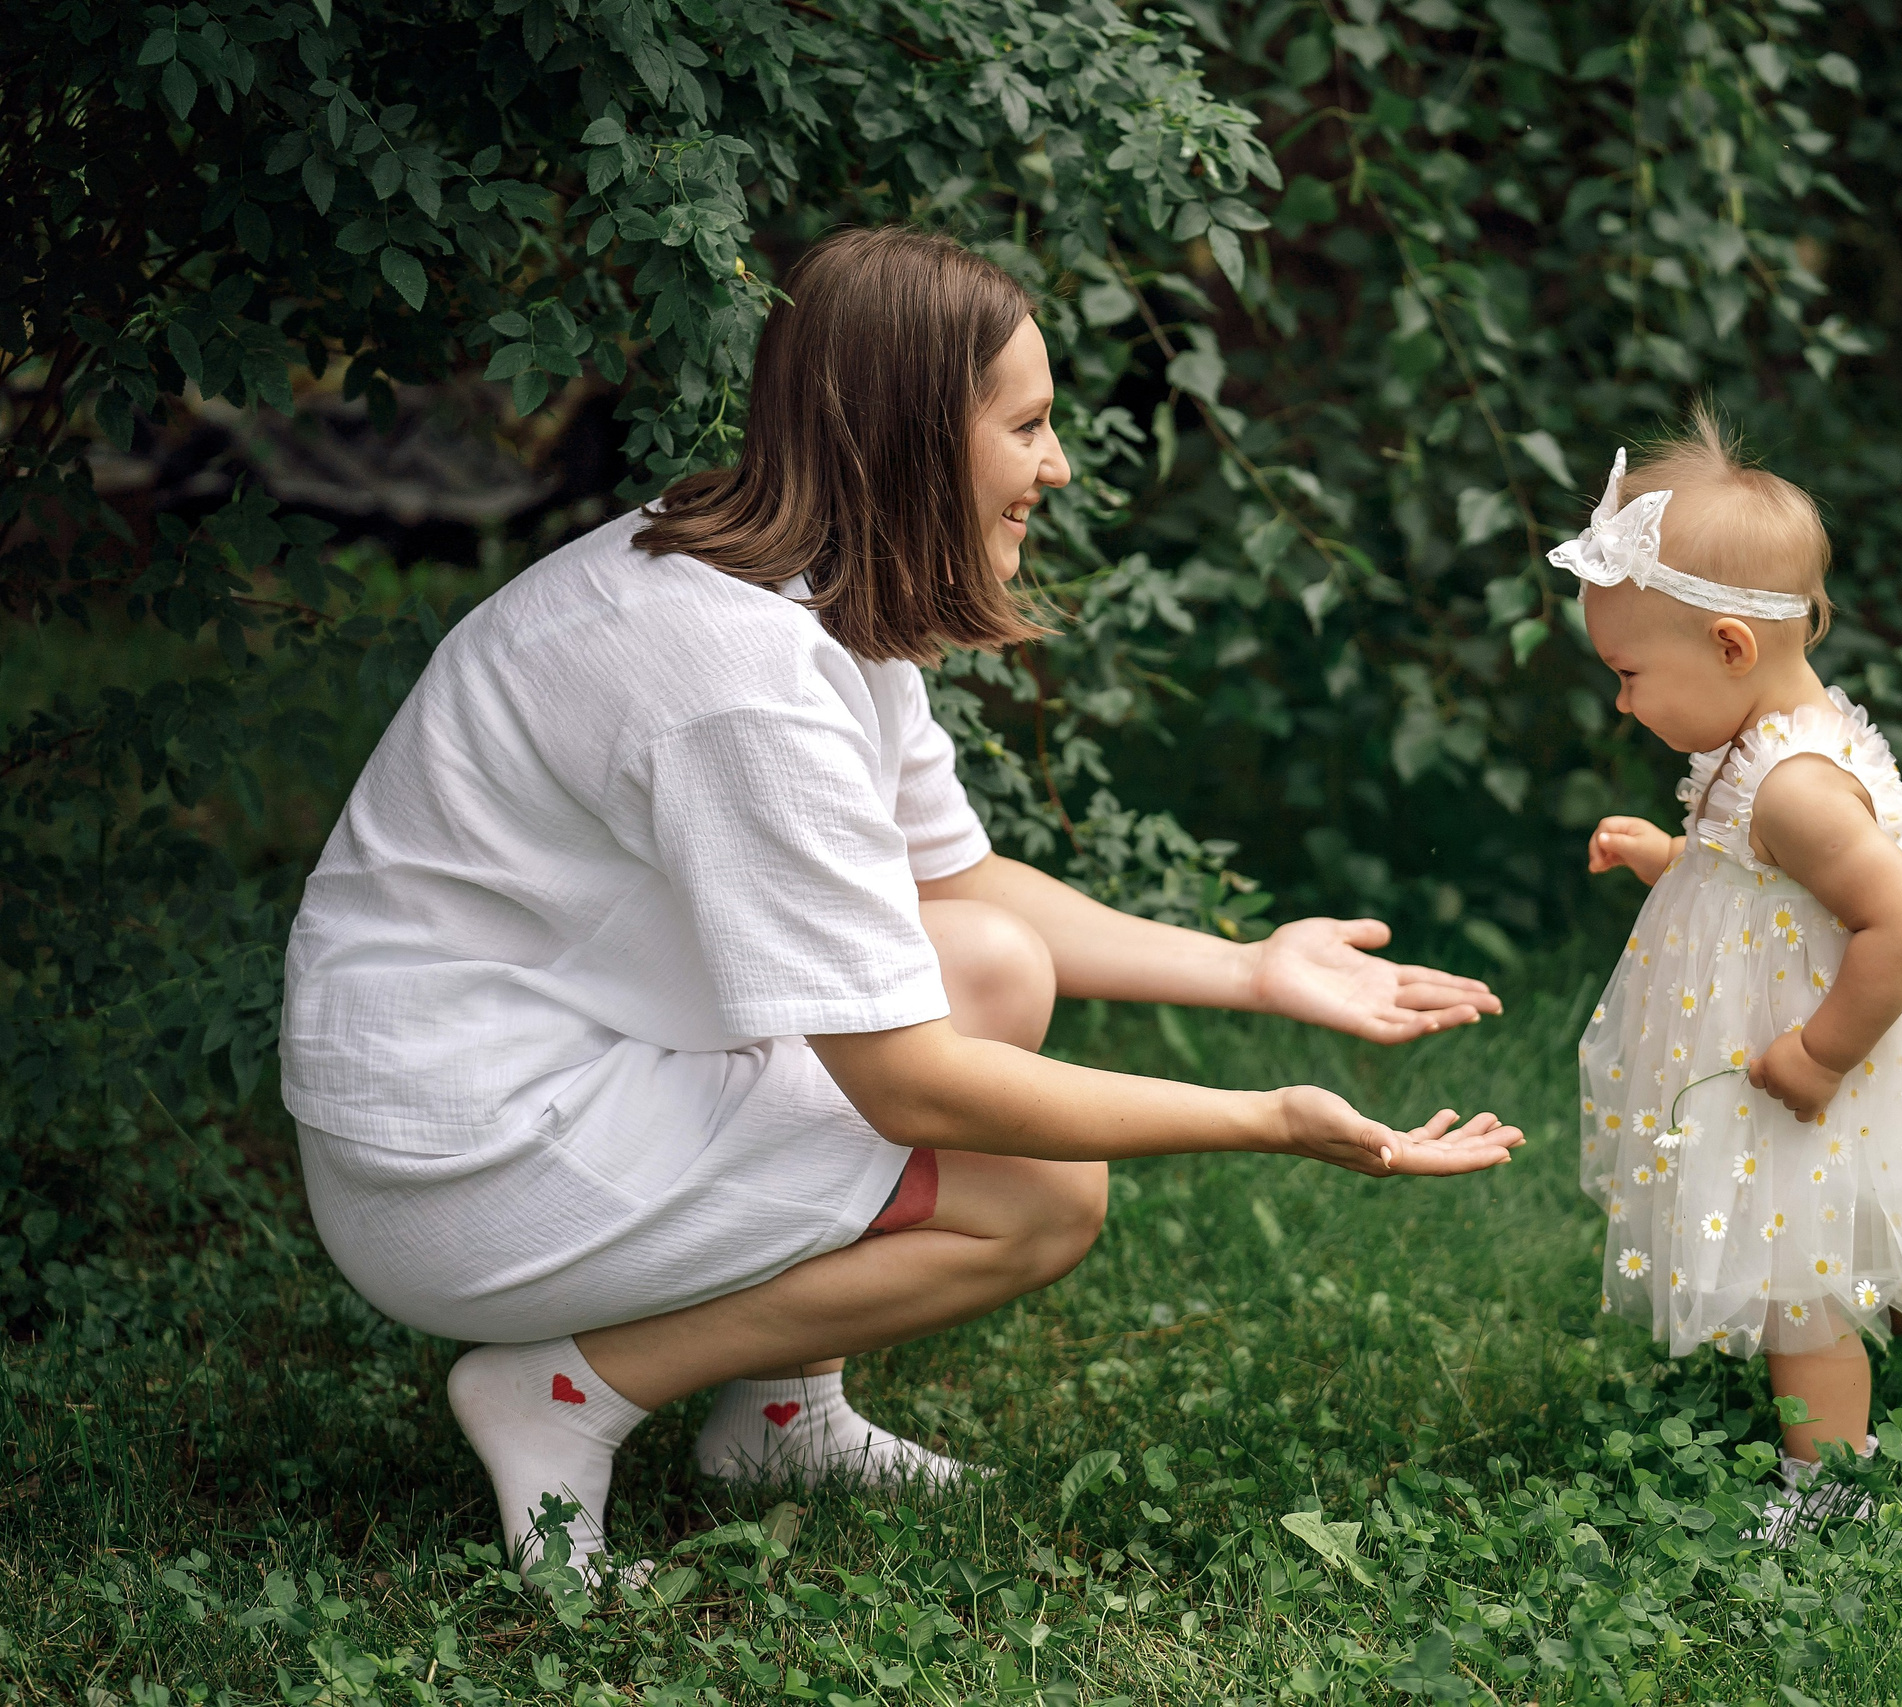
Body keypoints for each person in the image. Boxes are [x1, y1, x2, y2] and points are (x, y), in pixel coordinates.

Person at [280, 227, 1522, 1579]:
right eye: (1030, 425)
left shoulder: (801, 582)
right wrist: (1267, 1116)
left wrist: (1249, 968)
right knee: (1042, 1191)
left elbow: (957, 885)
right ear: (921, 432)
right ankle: (566, 1389)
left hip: (540, 1052)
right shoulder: (738, 675)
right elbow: (911, 1087)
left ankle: (781, 1420)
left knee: (986, 961)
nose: (1056, 465)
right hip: (459, 1161)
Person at [1559, 417, 1902, 1544]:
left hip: (1835, 1038)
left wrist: (1816, 1057)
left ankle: (1830, 1479)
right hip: (1831, 1025)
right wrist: (1670, 858)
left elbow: (1896, 921)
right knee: (1901, 1220)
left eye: (1627, 676)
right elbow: (1765, 890)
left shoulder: (1796, 787)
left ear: (1726, 647)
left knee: (1795, 1262)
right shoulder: (1754, 742)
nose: (1620, 705)